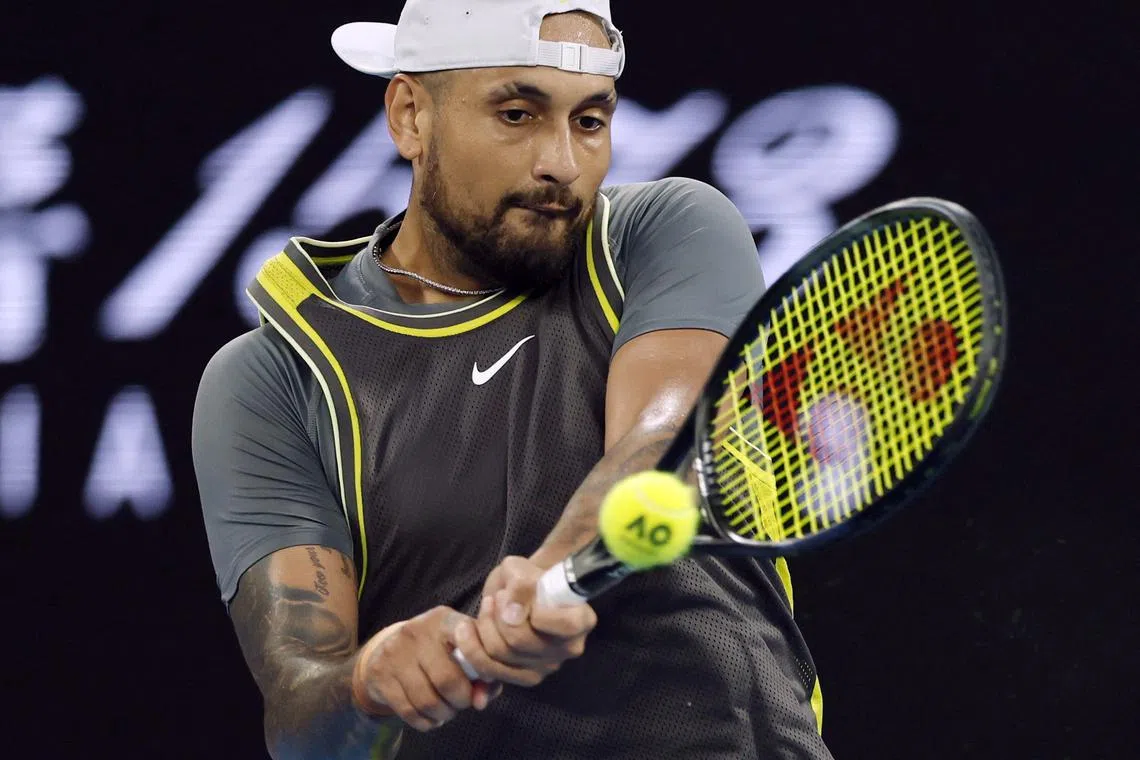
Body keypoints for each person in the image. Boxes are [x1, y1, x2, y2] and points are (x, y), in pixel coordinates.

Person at [192, 1, 833, 758]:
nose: (561, 161)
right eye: (518, 113)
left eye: (590, 122)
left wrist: (548, 575)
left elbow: (667, 441)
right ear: (410, 117)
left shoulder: (666, 230)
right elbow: (303, 720)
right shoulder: (274, 378)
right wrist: (370, 680)